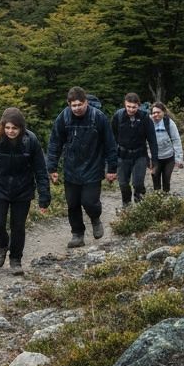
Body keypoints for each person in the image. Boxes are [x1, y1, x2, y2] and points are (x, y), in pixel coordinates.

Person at [0, 107, 50, 276]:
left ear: (21, 128)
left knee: (18, 226)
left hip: (23, 189)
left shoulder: (30, 140)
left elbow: (40, 169)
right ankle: (3, 245)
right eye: (8, 127)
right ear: (2, 126)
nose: (11, 131)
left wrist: (44, 196)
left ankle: (15, 259)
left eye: (15, 128)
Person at [46, 86, 118, 248]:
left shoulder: (98, 117)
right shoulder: (64, 118)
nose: (77, 108)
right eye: (74, 105)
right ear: (69, 104)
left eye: (80, 105)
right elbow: (55, 143)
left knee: (89, 202)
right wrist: (52, 168)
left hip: (93, 167)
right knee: (72, 204)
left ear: (86, 102)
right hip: (71, 168)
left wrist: (112, 168)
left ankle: (95, 218)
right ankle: (77, 234)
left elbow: (110, 144)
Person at [111, 93, 159, 208]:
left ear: (139, 106)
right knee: (123, 184)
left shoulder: (145, 117)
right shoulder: (118, 116)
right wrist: (111, 160)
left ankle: (141, 206)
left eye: (134, 107)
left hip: (139, 155)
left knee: (138, 183)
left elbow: (152, 140)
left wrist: (154, 159)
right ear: (125, 104)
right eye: (128, 106)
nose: (131, 109)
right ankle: (126, 206)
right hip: (122, 155)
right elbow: (112, 138)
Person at [148, 101, 184, 192]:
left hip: (169, 157)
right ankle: (157, 200)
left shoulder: (169, 123)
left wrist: (179, 158)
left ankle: (165, 199)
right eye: (153, 113)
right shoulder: (148, 123)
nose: (156, 115)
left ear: (163, 112)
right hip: (155, 158)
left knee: (166, 179)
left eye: (158, 112)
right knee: (155, 179)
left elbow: (176, 140)